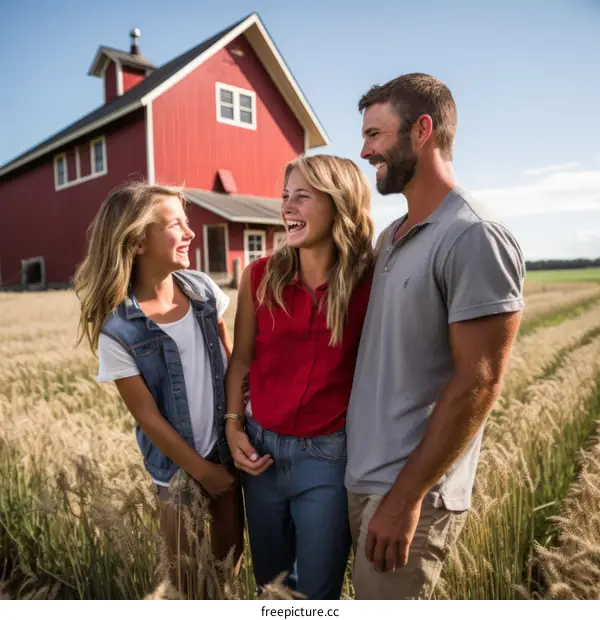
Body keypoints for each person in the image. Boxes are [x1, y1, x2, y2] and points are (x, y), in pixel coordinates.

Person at [345, 73, 525, 599]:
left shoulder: (473, 235)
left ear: (421, 131)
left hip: (409, 494)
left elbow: (479, 381)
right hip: (362, 480)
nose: (364, 150)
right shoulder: (391, 237)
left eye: (375, 135)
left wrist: (405, 498)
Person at [74, 182, 244, 596]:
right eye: (175, 224)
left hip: (226, 453)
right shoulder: (120, 330)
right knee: (187, 580)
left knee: (227, 574)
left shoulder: (202, 290)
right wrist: (201, 471)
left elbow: (231, 361)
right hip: (177, 473)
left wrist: (235, 432)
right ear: (136, 242)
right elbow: (146, 416)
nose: (190, 232)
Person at [224, 154, 374, 600]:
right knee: (271, 587)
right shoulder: (259, 277)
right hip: (259, 456)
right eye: (285, 196)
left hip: (328, 458)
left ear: (339, 203)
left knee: (317, 592)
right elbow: (241, 362)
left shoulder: (370, 282)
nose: (287, 207)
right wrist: (233, 426)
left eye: (302, 197)